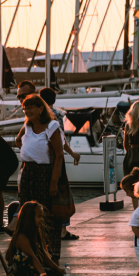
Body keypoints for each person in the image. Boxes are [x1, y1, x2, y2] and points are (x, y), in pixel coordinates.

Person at [14, 94, 66, 261]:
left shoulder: (52, 126)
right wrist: (29, 153)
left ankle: (50, 255)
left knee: (46, 215)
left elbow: (59, 155)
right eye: (25, 108)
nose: (27, 111)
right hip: (28, 171)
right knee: (26, 213)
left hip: (45, 173)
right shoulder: (27, 126)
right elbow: (17, 141)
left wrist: (54, 182)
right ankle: (29, 252)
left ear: (41, 108)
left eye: (31, 107)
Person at [40, 87, 80, 241]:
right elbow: (61, 139)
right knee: (61, 193)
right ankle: (62, 230)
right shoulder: (57, 114)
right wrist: (72, 153)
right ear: (54, 100)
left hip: (41, 160)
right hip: (56, 159)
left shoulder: (37, 114)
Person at [4, 201, 64, 276]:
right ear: (29, 218)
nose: (42, 219)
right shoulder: (22, 237)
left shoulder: (35, 233)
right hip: (20, 270)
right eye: (39, 216)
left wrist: (58, 269)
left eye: (42, 216)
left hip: (33, 268)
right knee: (29, 259)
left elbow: (43, 255)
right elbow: (32, 257)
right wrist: (43, 274)